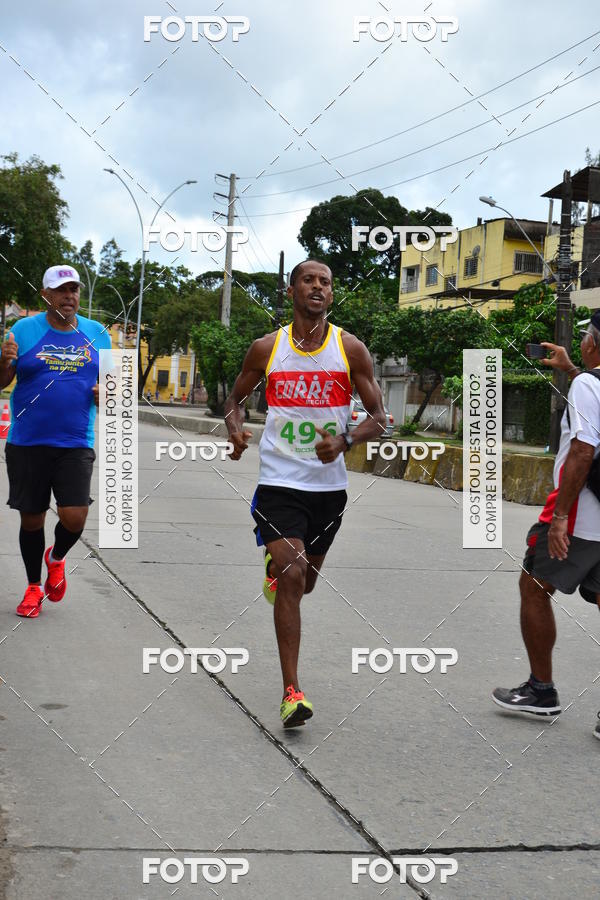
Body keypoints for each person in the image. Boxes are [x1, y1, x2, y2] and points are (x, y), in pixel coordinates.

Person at [225, 259, 386, 727]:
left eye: (326, 283)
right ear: (291, 289)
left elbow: (378, 416)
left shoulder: (350, 349)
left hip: (328, 490)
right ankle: (291, 692)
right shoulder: (266, 349)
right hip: (279, 482)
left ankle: (276, 570)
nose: (318, 287)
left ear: (331, 295)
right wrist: (236, 429)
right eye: (309, 280)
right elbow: (234, 400)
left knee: (304, 580)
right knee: (293, 574)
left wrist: (347, 439)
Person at [493, 317, 600, 741]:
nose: (583, 340)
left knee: (534, 588)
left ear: (595, 344)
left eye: (587, 335)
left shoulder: (589, 387)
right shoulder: (587, 381)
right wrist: (573, 369)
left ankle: (541, 690)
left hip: (582, 518)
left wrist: (560, 517)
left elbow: (583, 449)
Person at [0, 265, 111, 618]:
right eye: (62, 290)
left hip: (76, 441)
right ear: (46, 295)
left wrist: (105, 392)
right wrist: (3, 364)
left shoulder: (98, 334)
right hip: (27, 442)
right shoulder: (22, 329)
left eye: (74, 290)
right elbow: (3, 380)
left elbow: (116, 390)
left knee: (75, 516)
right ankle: (33, 588)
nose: (70, 296)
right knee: (32, 521)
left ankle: (57, 557)